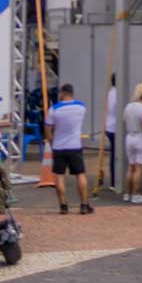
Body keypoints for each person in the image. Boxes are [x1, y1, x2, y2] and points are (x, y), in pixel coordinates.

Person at [46, 83, 94, 215]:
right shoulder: (81, 107)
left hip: (59, 146)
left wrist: (51, 141)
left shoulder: (54, 109)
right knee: (80, 174)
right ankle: (84, 205)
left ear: (62, 93)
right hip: (75, 145)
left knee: (59, 175)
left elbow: (48, 128)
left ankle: (63, 205)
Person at [122, 82, 142, 204]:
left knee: (131, 167)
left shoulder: (128, 107)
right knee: (139, 168)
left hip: (130, 137)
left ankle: (127, 193)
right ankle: (136, 194)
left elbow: (124, 120)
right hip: (141, 138)